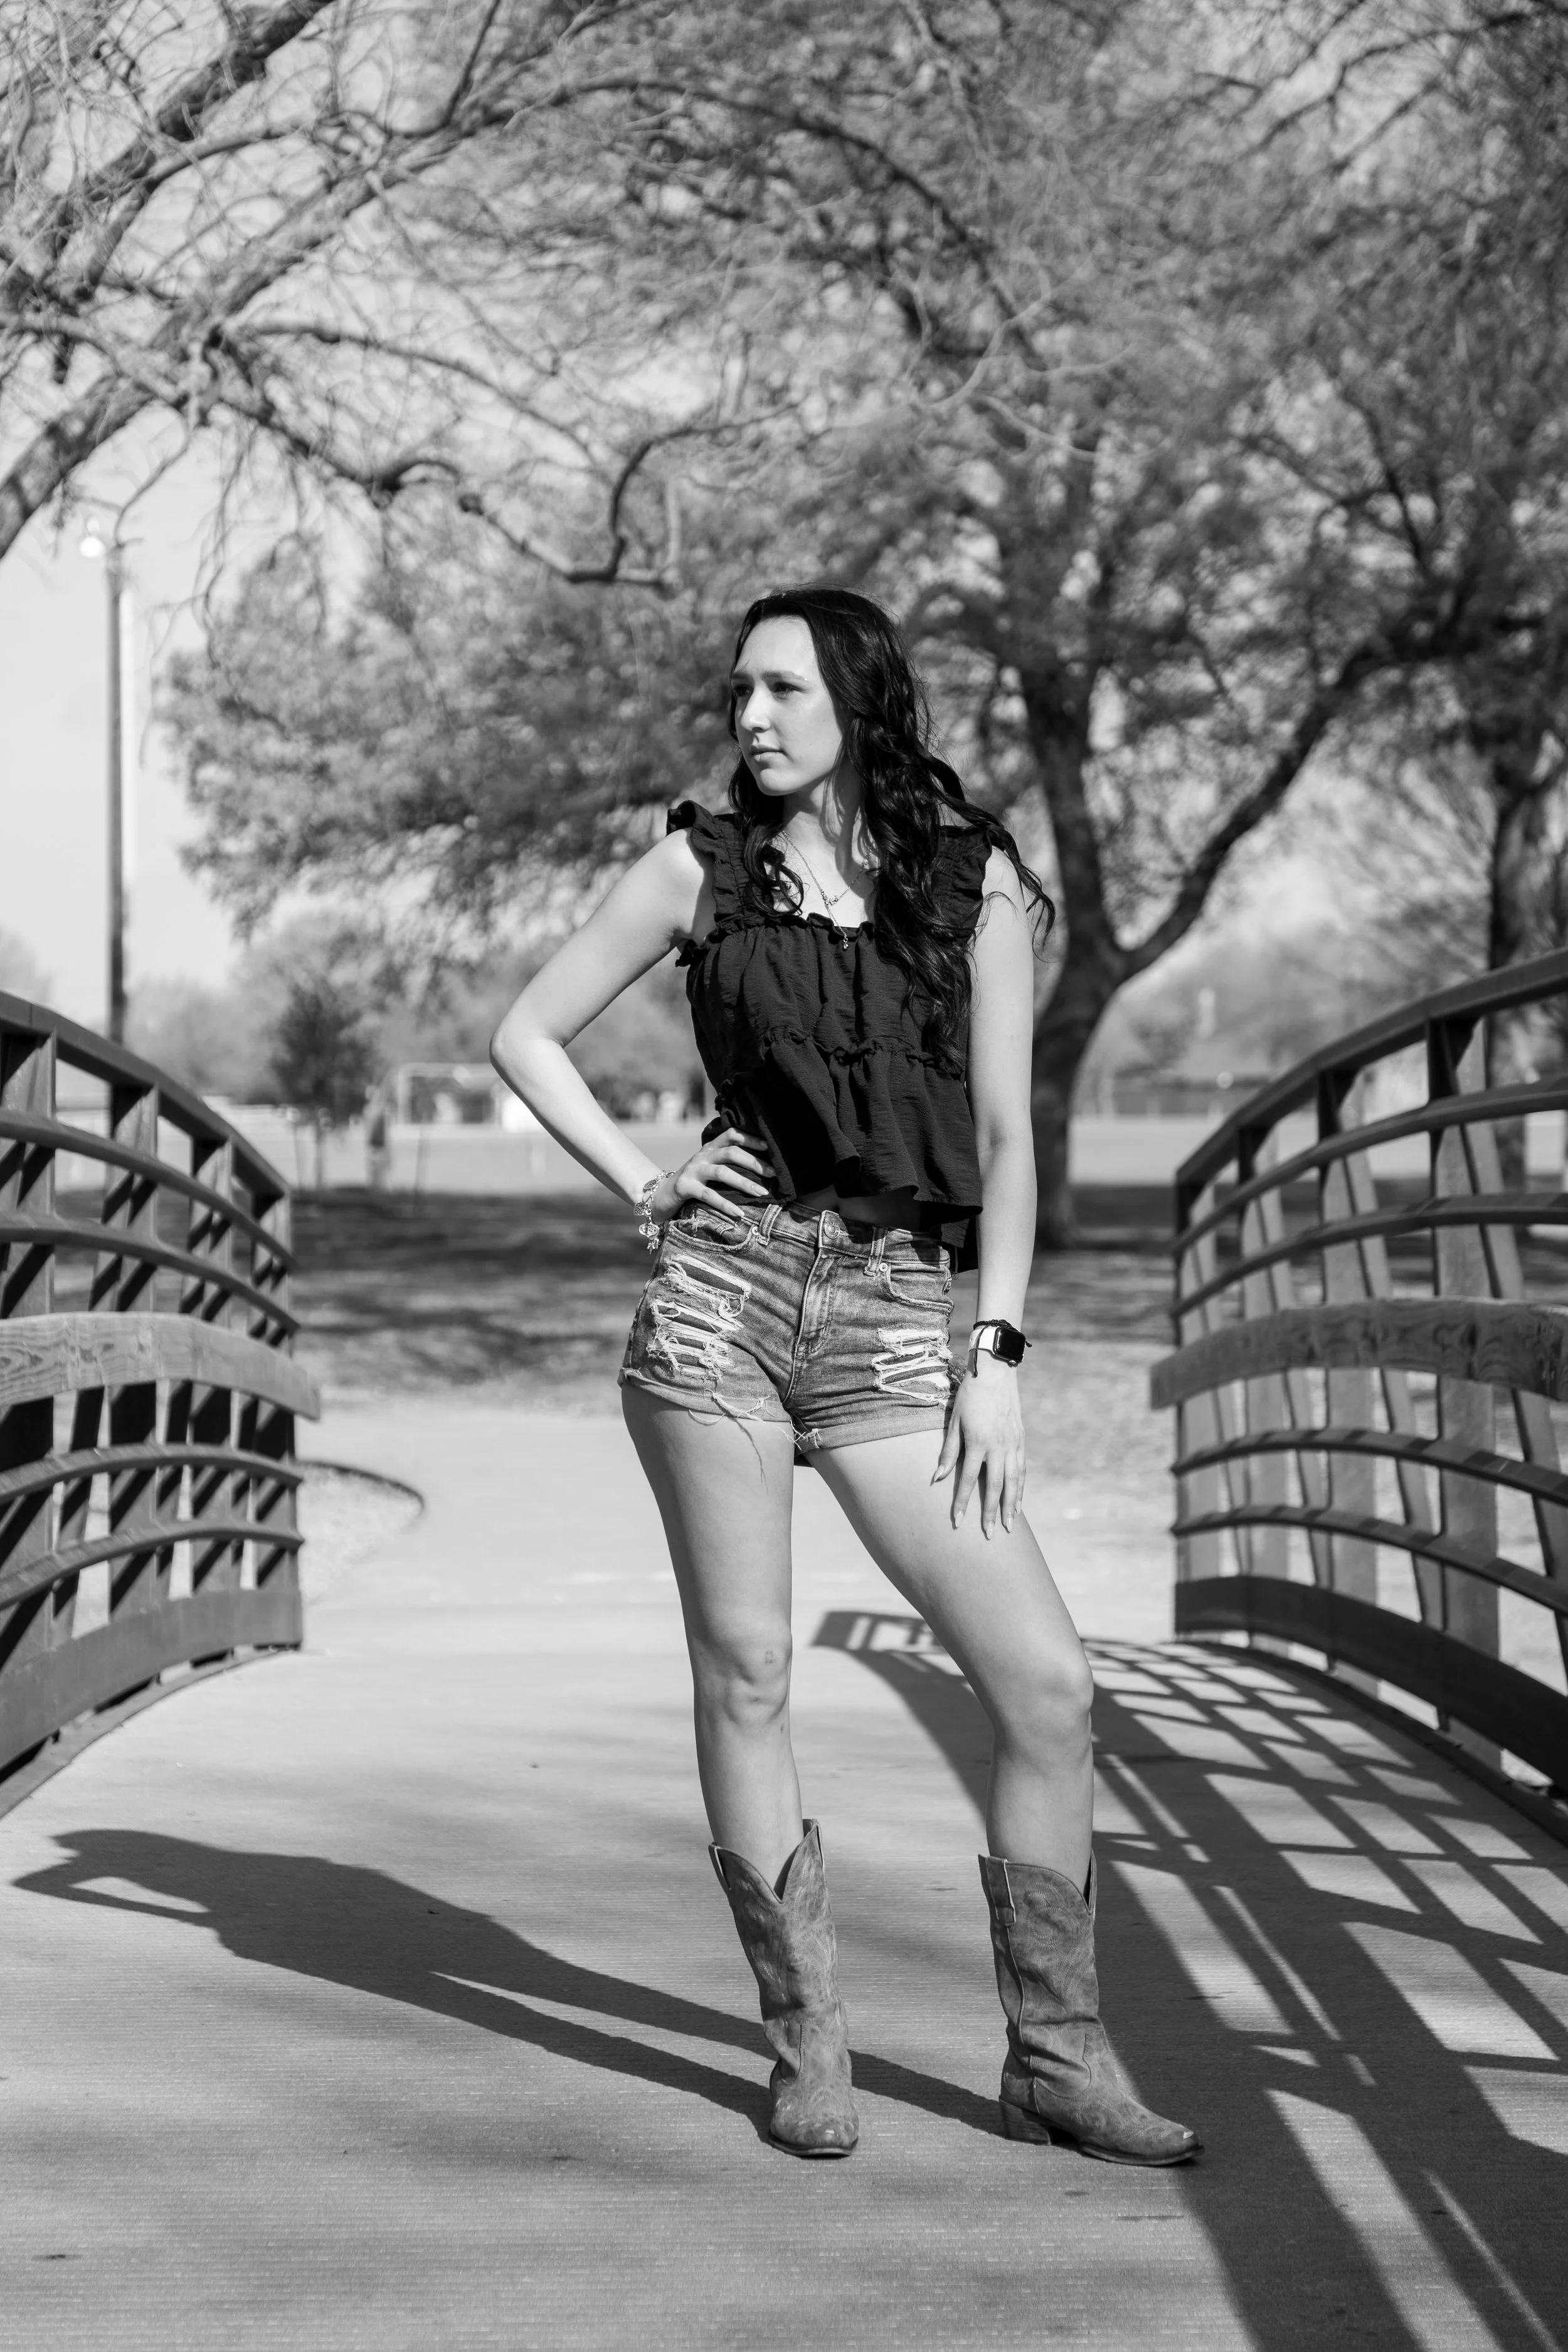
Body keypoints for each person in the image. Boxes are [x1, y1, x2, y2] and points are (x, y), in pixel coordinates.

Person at [490, 586, 1199, 2167]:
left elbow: (1008, 1144)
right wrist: (642, 1184)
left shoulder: (976, 885)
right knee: (745, 1669)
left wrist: (995, 1357)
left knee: (1043, 1686)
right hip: (717, 1311)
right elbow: (526, 1033)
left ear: (858, 703)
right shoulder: (699, 870)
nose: (747, 715)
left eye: (781, 689)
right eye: (735, 690)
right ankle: (807, 2049)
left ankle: (1055, 2062)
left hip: (895, 1315)